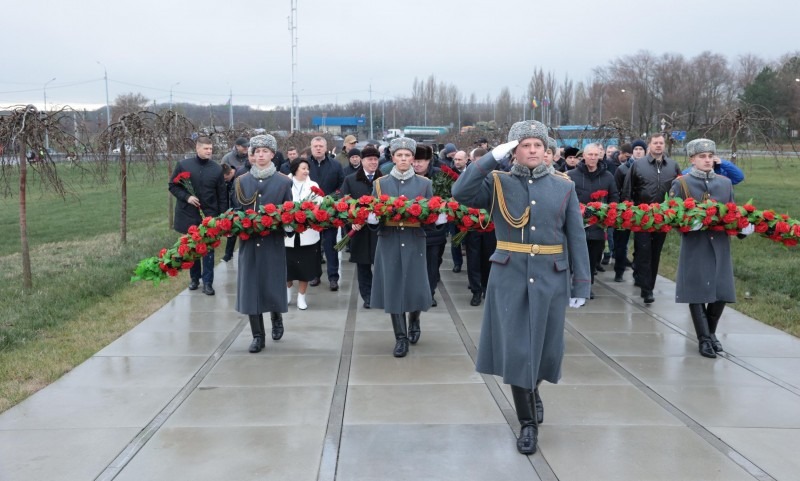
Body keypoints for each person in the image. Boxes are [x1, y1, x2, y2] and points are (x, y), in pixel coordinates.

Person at [452, 120, 590, 456]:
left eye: (537, 146)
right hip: (509, 275)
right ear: (514, 150)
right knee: (517, 350)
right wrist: (488, 159)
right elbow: (461, 193)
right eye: (525, 145)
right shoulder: (498, 182)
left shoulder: (563, 186)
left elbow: (576, 235)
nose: (531, 151)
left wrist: (581, 282)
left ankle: (532, 390)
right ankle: (527, 423)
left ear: (546, 151)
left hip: (550, 276)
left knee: (543, 348)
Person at [669, 138, 754, 358]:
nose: (707, 160)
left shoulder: (725, 183)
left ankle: (712, 333)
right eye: (702, 157)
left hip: (720, 243)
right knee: (697, 291)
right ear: (692, 159)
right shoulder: (682, 184)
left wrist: (742, 229)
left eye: (709, 156)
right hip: (696, 244)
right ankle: (704, 339)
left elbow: (732, 213)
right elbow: (671, 217)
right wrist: (687, 225)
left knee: (721, 291)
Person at [369, 137, 446, 357]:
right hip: (389, 239)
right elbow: (373, 212)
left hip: (414, 240)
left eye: (407, 155)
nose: (403, 159)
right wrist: (371, 218)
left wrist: (438, 216)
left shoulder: (425, 184)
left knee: (415, 285)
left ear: (413, 159)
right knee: (393, 287)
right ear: (392, 158)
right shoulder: (380, 183)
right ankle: (400, 337)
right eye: (399, 155)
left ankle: (414, 319)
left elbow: (431, 216)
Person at [231, 134, 293, 353]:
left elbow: (289, 212)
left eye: (265, 151)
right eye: (256, 152)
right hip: (249, 243)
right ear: (251, 155)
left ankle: (276, 317)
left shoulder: (284, 181)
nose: (260, 155)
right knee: (251, 288)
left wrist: (288, 226)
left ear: (273, 155)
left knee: (272, 284)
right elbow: (237, 210)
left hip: (272, 242)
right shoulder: (241, 181)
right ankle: (258, 335)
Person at [622, 133, 681, 304]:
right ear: (650, 145)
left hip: (663, 217)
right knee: (643, 251)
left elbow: (680, 189)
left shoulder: (672, 166)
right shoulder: (638, 165)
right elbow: (628, 189)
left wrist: (675, 210)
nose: (658, 146)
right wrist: (629, 210)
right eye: (655, 143)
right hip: (642, 215)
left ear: (664, 145)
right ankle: (645, 287)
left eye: (661, 143)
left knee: (655, 252)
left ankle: (649, 286)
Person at [169, 136, 228, 295]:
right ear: (197, 148)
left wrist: (222, 218)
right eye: (206, 148)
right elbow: (173, 186)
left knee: (208, 250)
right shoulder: (183, 165)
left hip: (209, 216)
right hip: (188, 214)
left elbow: (222, 195)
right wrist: (187, 197)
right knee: (193, 248)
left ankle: (208, 282)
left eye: (211, 148)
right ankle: (194, 279)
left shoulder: (216, 169)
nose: (209, 151)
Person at [567, 144, 619, 298]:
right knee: (573, 257)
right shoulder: (571, 175)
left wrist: (608, 211)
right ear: (583, 155)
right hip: (576, 225)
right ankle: (570, 285)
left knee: (592, 258)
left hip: (597, 226)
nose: (593, 158)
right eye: (590, 154)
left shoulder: (608, 176)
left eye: (596, 155)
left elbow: (614, 197)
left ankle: (586, 286)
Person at [338, 146, 383, 308]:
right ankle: (368, 296)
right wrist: (352, 221)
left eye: (375, 159)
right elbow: (344, 204)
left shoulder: (384, 178)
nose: (373, 162)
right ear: (362, 161)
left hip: (380, 231)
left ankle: (380, 295)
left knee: (381, 265)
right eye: (369, 159)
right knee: (363, 266)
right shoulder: (350, 180)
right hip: (359, 231)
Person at [307, 136, 345, 290]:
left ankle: (333, 277)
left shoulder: (336, 165)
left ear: (325, 147)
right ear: (311, 147)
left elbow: (342, 186)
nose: (318, 148)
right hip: (310, 212)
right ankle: (315, 275)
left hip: (330, 212)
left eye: (320, 146)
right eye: (315, 146)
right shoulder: (305, 165)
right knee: (314, 246)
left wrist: (331, 200)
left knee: (330, 246)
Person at [412, 144, 447, 307]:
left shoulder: (440, 176)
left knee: (433, 264)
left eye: (421, 161)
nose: (417, 165)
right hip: (413, 230)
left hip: (434, 231)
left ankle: (430, 293)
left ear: (428, 161)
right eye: (415, 161)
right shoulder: (408, 177)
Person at [285, 158, 322, 310]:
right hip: (288, 232)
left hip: (307, 233)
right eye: (303, 168)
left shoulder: (313, 185)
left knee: (304, 268)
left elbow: (319, 203)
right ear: (295, 169)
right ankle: (287, 293)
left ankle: (301, 297)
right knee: (288, 266)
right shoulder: (284, 182)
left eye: (308, 168)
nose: (306, 171)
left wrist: (309, 213)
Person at [463, 147, 496, 306]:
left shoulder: (496, 177)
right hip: (473, 225)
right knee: (473, 259)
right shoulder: (468, 176)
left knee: (489, 258)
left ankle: (486, 287)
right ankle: (476, 290)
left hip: (491, 225)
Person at [221, 163, 238, 262]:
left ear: (231, 172)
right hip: (230, 207)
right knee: (231, 232)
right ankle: (228, 254)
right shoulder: (226, 181)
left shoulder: (239, 178)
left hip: (238, 207)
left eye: (225, 177)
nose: (224, 180)